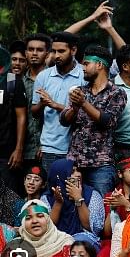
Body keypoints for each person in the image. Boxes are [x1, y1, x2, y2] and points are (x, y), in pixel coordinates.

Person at [61, 45, 126, 196]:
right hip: (75, 162)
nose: (82, 68)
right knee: (72, 205)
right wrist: (75, 108)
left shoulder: (116, 93)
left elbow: (107, 121)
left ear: (99, 65)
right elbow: (64, 120)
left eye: (86, 63)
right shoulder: (80, 90)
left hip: (101, 164)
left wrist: (84, 104)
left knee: (102, 207)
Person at [31, 31, 85, 172]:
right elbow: (34, 113)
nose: (56, 55)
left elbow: (86, 113)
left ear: (73, 50)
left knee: (73, 190)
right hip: (49, 147)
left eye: (61, 51)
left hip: (78, 148)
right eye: (53, 51)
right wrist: (43, 103)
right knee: (52, 190)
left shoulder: (84, 76)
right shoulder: (44, 76)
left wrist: (54, 104)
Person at [41, 159, 104, 248]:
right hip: (56, 240)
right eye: (72, 172)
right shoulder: (47, 198)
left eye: (78, 171)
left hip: (84, 242)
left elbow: (94, 229)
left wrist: (78, 198)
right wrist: (58, 203)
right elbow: (46, 229)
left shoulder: (92, 194)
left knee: (79, 241)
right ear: (59, 176)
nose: (78, 174)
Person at [10, 201, 74, 257]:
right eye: (28, 218)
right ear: (23, 223)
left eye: (40, 216)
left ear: (48, 219)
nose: (34, 221)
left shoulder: (65, 243)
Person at [22, 33, 52, 168]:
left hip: (48, 148)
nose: (34, 53)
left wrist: (44, 144)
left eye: (39, 50)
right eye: (30, 49)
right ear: (26, 53)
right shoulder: (16, 80)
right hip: (22, 149)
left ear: (47, 53)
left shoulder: (54, 79)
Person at [0, 44, 27, 191]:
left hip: (6, 152)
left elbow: (21, 117)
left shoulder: (11, 80)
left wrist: (19, 149)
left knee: (6, 198)